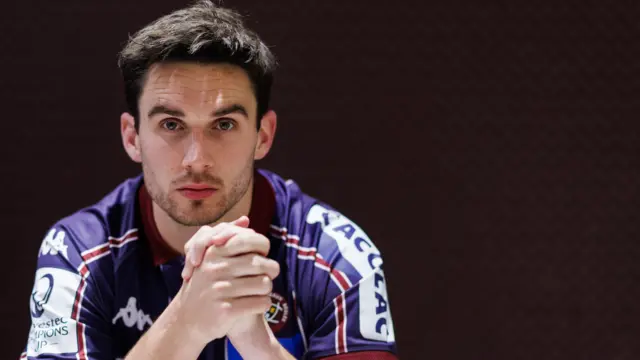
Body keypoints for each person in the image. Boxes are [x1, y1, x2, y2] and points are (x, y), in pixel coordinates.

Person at [20, 1, 398, 359]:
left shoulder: (336, 257)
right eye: (171, 124)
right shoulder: (77, 253)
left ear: (263, 135)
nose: (196, 159)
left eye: (223, 124)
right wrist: (187, 320)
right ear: (132, 137)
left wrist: (257, 345)